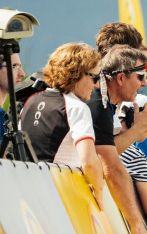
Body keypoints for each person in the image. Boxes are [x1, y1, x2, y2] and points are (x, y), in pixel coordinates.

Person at [87, 45, 147, 234]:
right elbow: (109, 164)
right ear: (120, 78)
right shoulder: (97, 103)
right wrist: (136, 223)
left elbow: (107, 149)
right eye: (140, 76)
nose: (144, 83)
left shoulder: (105, 102)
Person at [19, 42, 103, 196]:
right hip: (60, 193)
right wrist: (99, 192)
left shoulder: (31, 100)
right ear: (76, 74)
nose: (97, 85)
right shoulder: (77, 108)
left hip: (27, 188)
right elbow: (89, 162)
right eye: (95, 78)